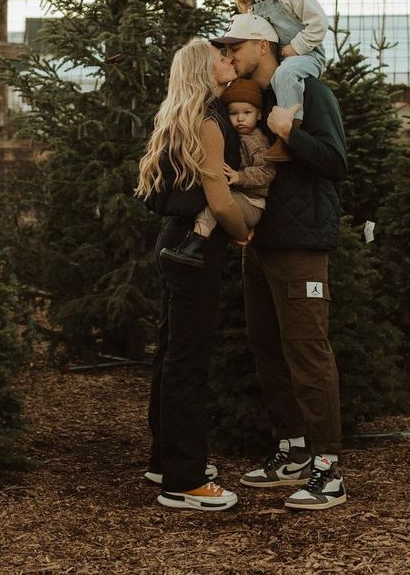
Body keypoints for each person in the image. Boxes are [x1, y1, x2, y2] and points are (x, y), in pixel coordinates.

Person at [211, 12, 349, 511]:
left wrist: (288, 133)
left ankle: (328, 469)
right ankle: (290, 450)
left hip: (302, 246)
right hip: (260, 242)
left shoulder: (310, 92)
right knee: (265, 345)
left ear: (264, 46)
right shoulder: (253, 100)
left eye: (236, 47)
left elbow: (336, 162)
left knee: (308, 351)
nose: (230, 56)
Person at [135, 38, 249, 512]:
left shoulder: (181, 115)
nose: (230, 61)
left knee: (172, 352)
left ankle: (166, 460)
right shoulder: (208, 121)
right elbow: (219, 199)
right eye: (222, 57)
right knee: (189, 361)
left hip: (174, 243)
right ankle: (184, 481)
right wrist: (243, 233)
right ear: (206, 70)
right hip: (195, 249)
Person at [225, 0, 329, 162]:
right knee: (275, 77)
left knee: (285, 73)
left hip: (308, 55)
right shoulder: (254, 9)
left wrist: (296, 47)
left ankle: (290, 131)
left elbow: (319, 22)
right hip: (284, 60)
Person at [160, 77, 276, 267]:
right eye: (233, 113)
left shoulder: (257, 141)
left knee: (215, 204)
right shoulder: (234, 136)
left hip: (252, 202)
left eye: (247, 113)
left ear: (259, 115)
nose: (240, 119)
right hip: (241, 198)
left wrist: (240, 177)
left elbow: (267, 171)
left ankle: (196, 244)